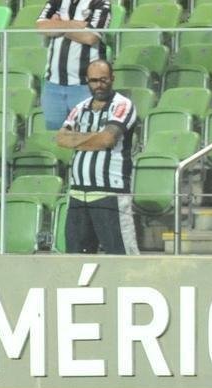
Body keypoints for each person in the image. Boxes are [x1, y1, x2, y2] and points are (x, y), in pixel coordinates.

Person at [55, 59, 139, 255]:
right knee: (76, 255)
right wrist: (94, 138)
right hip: (77, 193)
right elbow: (60, 138)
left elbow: (107, 139)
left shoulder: (122, 105)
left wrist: (76, 139)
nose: (98, 85)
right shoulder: (80, 107)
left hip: (110, 192)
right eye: (93, 81)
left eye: (103, 80)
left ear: (112, 78)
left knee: (121, 254)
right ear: (87, 80)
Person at [36, 0, 113, 131]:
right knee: (56, 139)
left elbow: (90, 37)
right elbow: (40, 27)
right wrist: (74, 25)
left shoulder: (100, 2)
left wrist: (57, 25)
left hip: (85, 87)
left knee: (86, 136)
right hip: (53, 86)